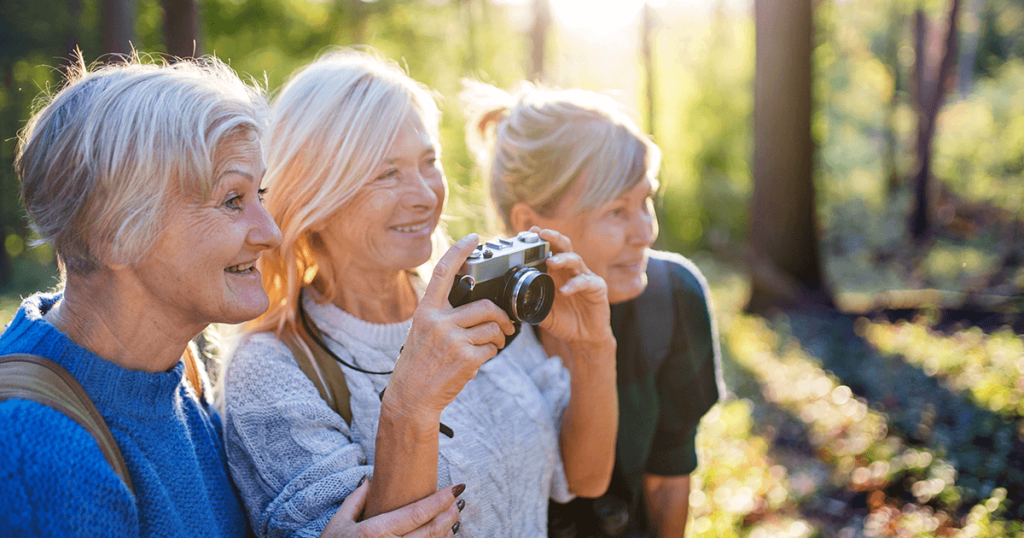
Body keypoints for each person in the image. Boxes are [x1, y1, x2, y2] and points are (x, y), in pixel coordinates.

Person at [0, 54, 463, 538]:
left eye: (259, 195)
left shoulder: (177, 383)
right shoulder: (34, 447)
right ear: (114, 234)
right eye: (232, 201)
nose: (271, 232)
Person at [221, 49, 619, 538]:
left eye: (429, 162)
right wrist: (411, 405)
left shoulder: (477, 299)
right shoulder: (271, 373)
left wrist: (594, 349)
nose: (426, 195)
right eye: (387, 173)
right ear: (315, 196)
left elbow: (585, 477)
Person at [462, 81, 724, 537]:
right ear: (529, 225)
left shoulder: (673, 300)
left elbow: (667, 481)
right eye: (617, 212)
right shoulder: (472, 328)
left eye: (646, 200)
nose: (646, 232)